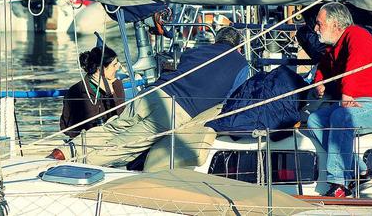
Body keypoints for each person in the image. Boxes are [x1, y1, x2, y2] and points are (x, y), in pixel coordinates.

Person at [50, 27, 249, 166]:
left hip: (154, 92)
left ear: (216, 41)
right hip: (175, 110)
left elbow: (183, 70)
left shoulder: (196, 51)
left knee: (114, 126)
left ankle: (64, 152)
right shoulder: (242, 66)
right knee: (125, 145)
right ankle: (75, 165)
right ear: (239, 47)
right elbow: (233, 99)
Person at [306, 2, 372, 197]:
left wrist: (347, 94)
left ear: (335, 24)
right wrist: (318, 83)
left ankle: (337, 183)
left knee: (342, 117)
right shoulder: (334, 48)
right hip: (358, 104)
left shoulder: (356, 34)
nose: (315, 29)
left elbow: (354, 64)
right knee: (314, 120)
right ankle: (361, 172)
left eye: (319, 23)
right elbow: (324, 67)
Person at [59, 46, 125, 138]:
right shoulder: (77, 90)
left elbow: (123, 118)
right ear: (100, 69)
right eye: (114, 65)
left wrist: (110, 93)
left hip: (115, 137)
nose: (117, 68)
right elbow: (66, 126)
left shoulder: (116, 84)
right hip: (85, 141)